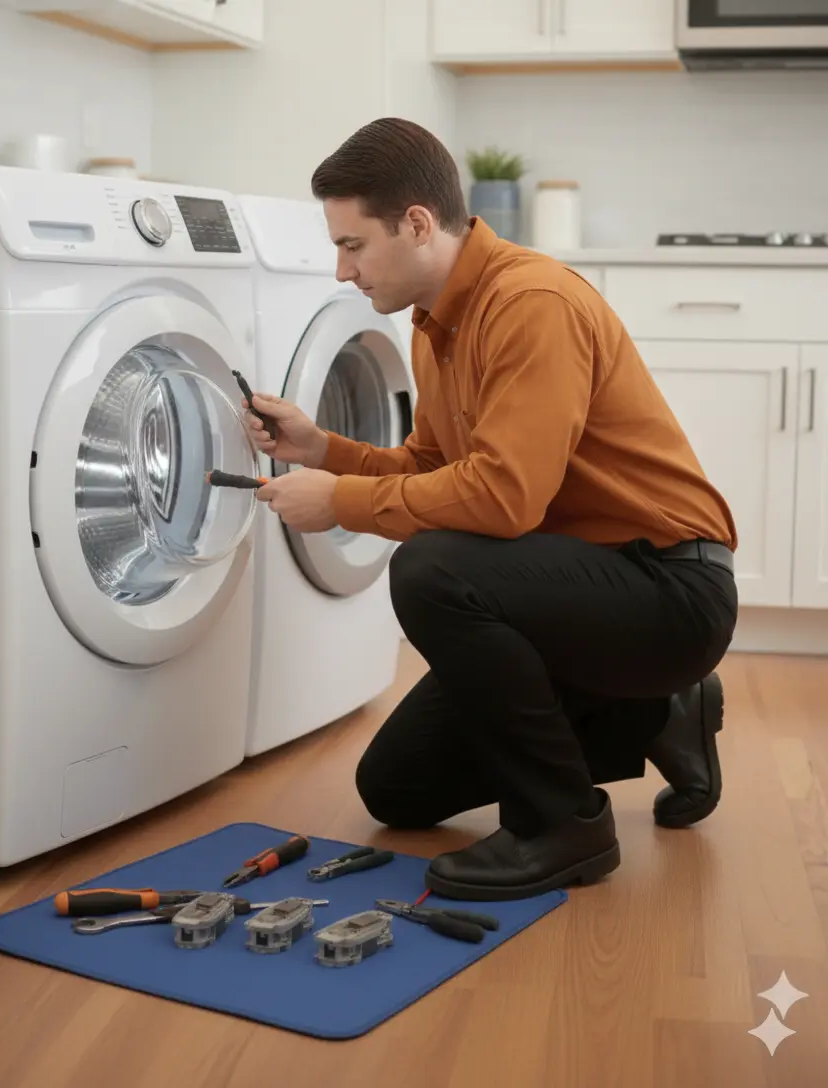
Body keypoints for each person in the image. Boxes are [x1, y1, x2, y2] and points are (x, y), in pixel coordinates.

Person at [244, 117, 738, 903]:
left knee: (435, 568)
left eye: (353, 245)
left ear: (414, 224)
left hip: (669, 591)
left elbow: (503, 501)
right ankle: (654, 713)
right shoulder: (435, 323)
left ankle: (565, 825)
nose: (343, 271)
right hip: (579, 592)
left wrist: (342, 502)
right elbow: (436, 472)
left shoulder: (530, 302)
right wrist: (323, 451)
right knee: (395, 790)